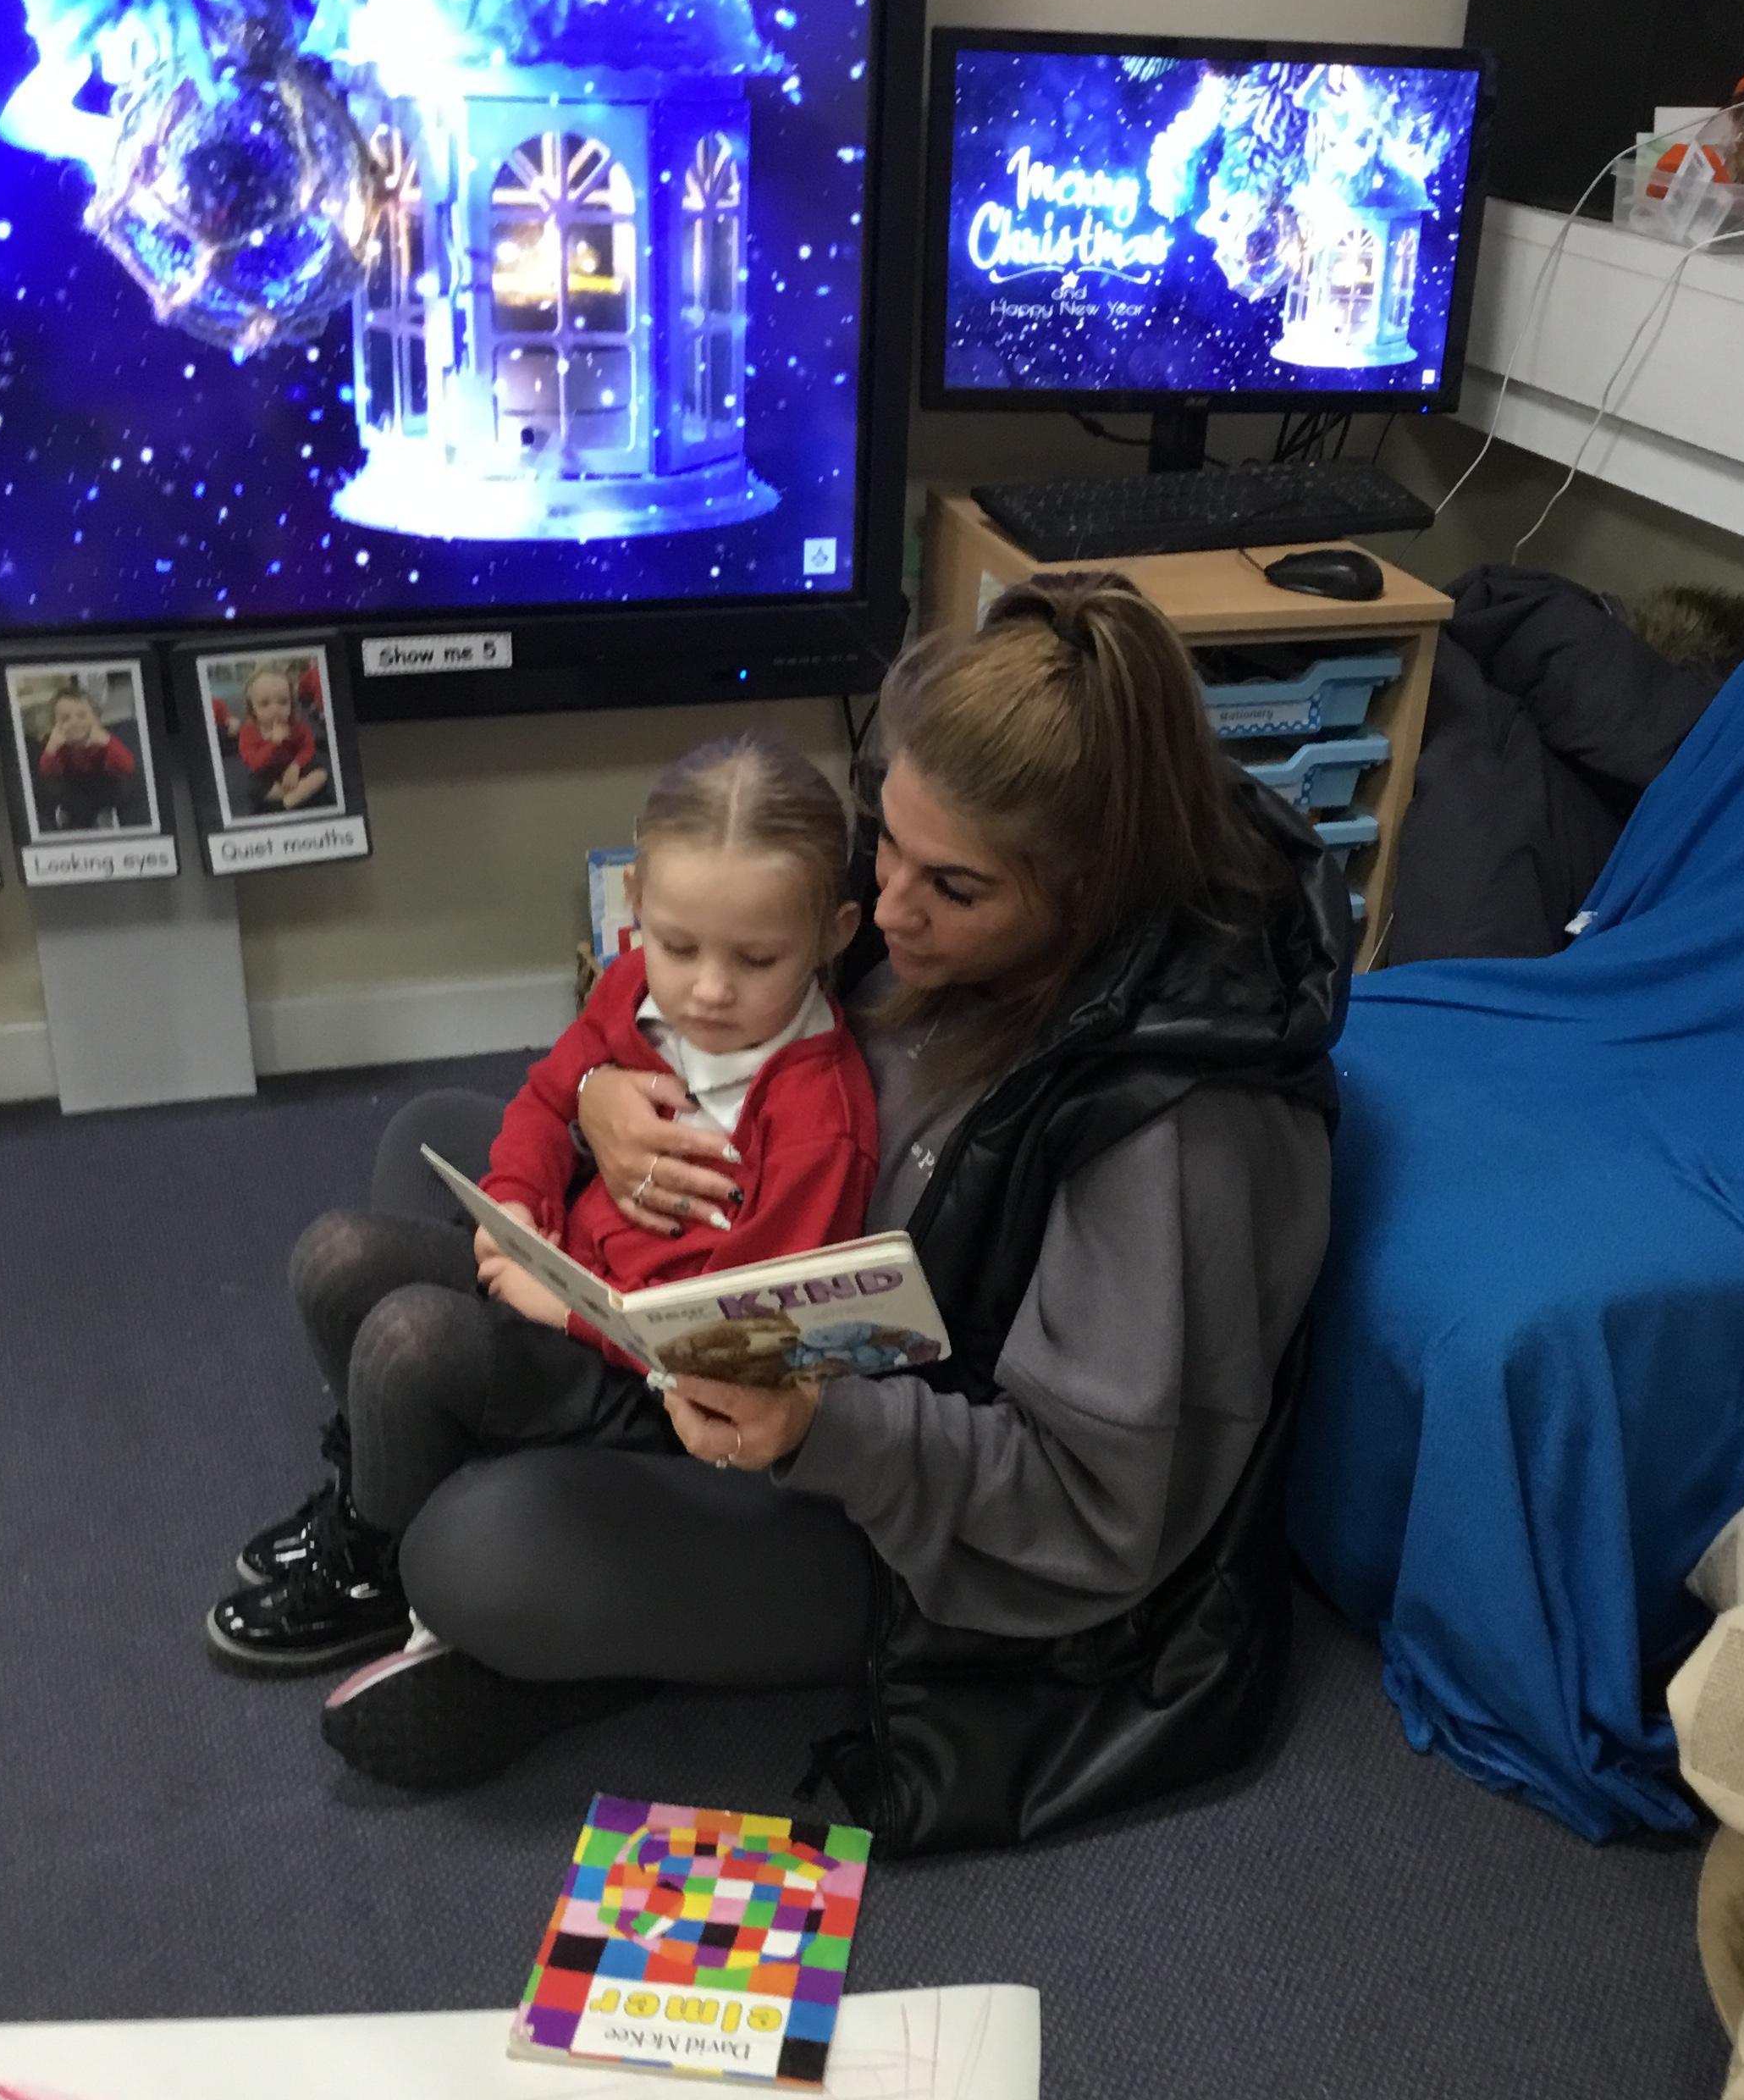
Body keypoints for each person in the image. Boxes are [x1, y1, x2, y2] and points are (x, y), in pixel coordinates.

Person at [309, 572, 1350, 1852]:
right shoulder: (939, 889)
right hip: (738, 1297)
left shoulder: (1176, 1138)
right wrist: (596, 1099)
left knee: (475, 1550)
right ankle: (538, 1500)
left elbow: (1095, 1517)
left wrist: (818, 1428)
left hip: (891, 1514)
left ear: (1088, 895)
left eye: (951, 888)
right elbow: (700, 1010)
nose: (888, 907)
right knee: (426, 1134)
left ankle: (558, 1587)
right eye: (885, 843)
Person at [208, 735, 873, 1668]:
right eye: (680, 946)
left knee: (410, 1343)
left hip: (648, 1383)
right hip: (563, 1276)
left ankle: (379, 1567)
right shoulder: (634, 987)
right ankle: (379, 1485)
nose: (710, 990)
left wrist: (563, 1307)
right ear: (637, 903)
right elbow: (548, 1099)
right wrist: (514, 1207)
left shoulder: (816, 1121)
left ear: (835, 934)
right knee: (335, 1255)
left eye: (758, 959)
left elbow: (741, 1337)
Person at [218, 660, 334, 815]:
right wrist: (273, 743)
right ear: (252, 708)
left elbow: (308, 747)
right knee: (253, 788)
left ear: (291, 703)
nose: (276, 710)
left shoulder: (296, 725)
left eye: (283, 702)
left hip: (294, 767)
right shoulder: (248, 732)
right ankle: (296, 795)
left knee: (322, 772)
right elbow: (254, 764)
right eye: (265, 704)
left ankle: (289, 800)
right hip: (267, 772)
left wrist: (296, 765)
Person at [34, 687, 141, 832]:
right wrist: (52, 747)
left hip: (104, 781)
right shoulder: (58, 745)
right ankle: (72, 817)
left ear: (96, 719)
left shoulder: (102, 739)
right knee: (65, 793)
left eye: (82, 716)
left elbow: (127, 765)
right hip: (75, 788)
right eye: (65, 719)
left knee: (123, 784)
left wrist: (106, 741)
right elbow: (47, 771)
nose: (75, 722)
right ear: (55, 727)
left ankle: (107, 815)